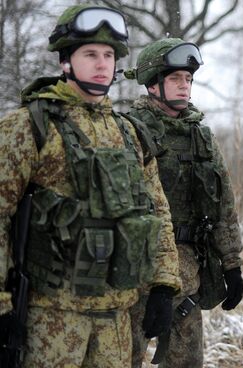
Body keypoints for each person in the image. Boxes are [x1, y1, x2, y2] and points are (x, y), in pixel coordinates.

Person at [0, 5, 181, 367]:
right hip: (50, 317)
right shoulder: (28, 127)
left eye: (109, 55)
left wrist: (163, 286)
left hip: (116, 317)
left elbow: (157, 212)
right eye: (91, 54)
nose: (102, 64)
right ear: (66, 61)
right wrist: (2, 309)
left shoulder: (130, 132)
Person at [125, 38, 243, 367]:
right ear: (153, 84)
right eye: (176, 78)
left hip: (189, 276)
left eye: (188, 79)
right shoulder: (128, 132)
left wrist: (232, 264)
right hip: (138, 276)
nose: (184, 85)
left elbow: (224, 205)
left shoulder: (201, 137)